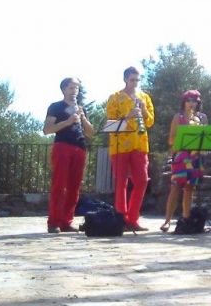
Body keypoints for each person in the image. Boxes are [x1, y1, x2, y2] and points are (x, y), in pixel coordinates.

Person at [106, 66, 155, 232]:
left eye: (137, 80)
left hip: (140, 143)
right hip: (120, 144)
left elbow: (150, 122)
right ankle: (121, 218)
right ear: (125, 79)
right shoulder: (114, 97)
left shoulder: (144, 97)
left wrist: (143, 111)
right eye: (132, 79)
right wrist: (128, 116)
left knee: (142, 180)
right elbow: (111, 123)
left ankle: (132, 218)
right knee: (121, 182)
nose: (135, 83)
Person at [43, 77, 94, 233]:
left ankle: (66, 221)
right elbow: (47, 129)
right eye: (71, 88)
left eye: (77, 88)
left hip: (79, 147)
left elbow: (91, 133)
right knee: (60, 185)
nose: (74, 91)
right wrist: (68, 121)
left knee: (74, 187)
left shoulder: (81, 109)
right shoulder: (56, 107)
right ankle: (54, 222)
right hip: (62, 146)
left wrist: (83, 118)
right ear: (64, 89)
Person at [161, 90, 207, 232]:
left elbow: (206, 139)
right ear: (184, 102)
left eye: (194, 101)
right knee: (175, 188)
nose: (191, 103)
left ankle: (186, 219)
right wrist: (185, 136)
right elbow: (171, 140)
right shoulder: (178, 117)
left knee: (189, 189)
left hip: (195, 157)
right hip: (181, 157)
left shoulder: (202, 118)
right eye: (189, 100)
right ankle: (167, 221)